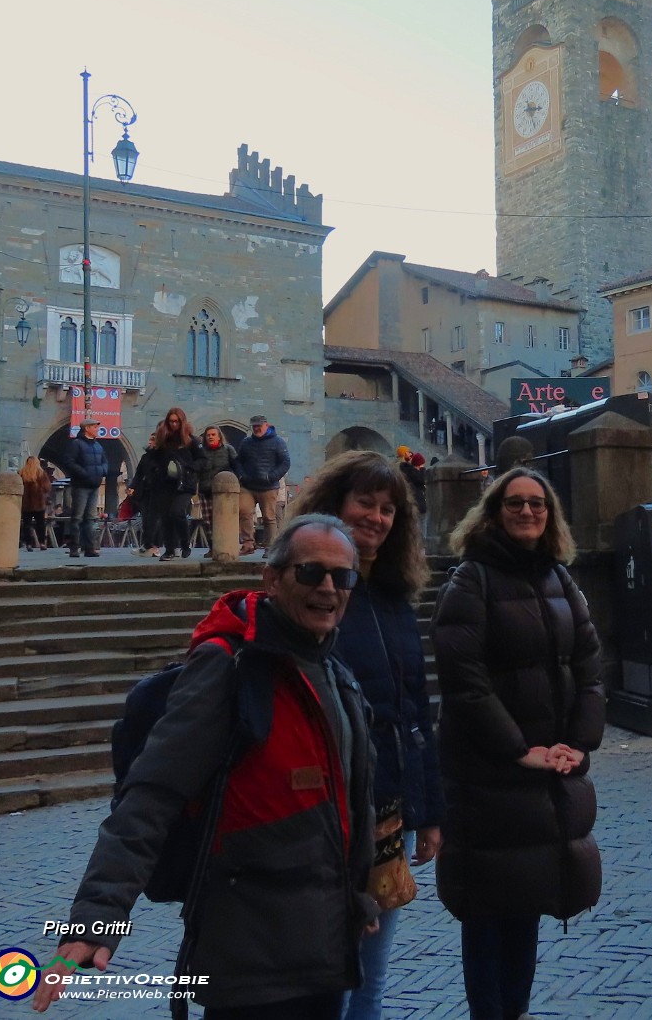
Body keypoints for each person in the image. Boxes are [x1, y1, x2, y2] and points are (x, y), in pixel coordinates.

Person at [31, 514, 378, 1018]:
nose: (328, 588)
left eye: (342, 577)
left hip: (325, 950)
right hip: (249, 956)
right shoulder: (228, 665)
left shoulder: (336, 672)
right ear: (272, 578)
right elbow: (153, 792)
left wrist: (358, 898)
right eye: (311, 573)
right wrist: (94, 921)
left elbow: (352, 800)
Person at [433, 468, 604, 1020]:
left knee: (527, 899)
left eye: (537, 504)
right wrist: (516, 749)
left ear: (549, 513)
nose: (527, 512)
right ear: (493, 511)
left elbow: (589, 668)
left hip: (545, 770)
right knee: (488, 909)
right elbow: (464, 679)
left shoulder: (561, 579)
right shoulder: (471, 580)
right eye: (514, 504)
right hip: (489, 773)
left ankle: (518, 1011)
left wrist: (578, 743)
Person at [288, 451, 444, 1020]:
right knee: (331, 977)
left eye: (388, 509)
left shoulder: (398, 599)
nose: (377, 518)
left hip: (389, 815)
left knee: (371, 977)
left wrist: (429, 813)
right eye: (365, 504)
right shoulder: (311, 592)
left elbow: (414, 714)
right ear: (335, 504)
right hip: (327, 818)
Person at [236, 414, 291, 555]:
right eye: (254, 426)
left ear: (266, 425)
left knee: (268, 517)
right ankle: (248, 543)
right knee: (245, 512)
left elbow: (285, 463)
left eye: (258, 426)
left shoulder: (278, 442)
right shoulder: (246, 443)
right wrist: (242, 475)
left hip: (268, 487)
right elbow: (238, 461)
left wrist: (271, 477)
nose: (256, 429)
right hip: (248, 485)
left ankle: (271, 546)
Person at [151, 408, 200, 560]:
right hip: (165, 483)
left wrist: (191, 468)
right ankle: (170, 549)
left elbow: (202, 459)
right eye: (171, 421)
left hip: (184, 484)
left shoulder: (191, 440)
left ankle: (185, 543)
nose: (173, 424)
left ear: (182, 422)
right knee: (166, 517)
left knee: (177, 512)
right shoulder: (163, 439)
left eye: (176, 421)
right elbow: (155, 458)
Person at [61, 417, 107, 558]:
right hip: (81, 485)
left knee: (90, 518)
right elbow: (69, 461)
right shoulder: (77, 444)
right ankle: (74, 547)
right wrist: (84, 473)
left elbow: (105, 461)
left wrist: (102, 471)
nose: (97, 430)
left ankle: (89, 548)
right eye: (95, 427)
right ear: (87, 428)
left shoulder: (98, 446)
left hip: (94, 485)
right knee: (77, 517)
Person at [195, 425, 239, 550]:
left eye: (213, 434)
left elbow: (236, 466)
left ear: (219, 437)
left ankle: (226, 546)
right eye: (208, 435)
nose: (210, 437)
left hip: (224, 492)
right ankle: (212, 547)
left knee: (223, 521)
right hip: (205, 490)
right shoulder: (200, 451)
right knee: (208, 522)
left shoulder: (228, 449)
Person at [19, 455, 52, 550]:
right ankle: (42, 543)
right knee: (40, 524)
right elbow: (47, 488)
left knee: (26, 524)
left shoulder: (21, 473)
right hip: (39, 503)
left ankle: (28, 544)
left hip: (25, 503)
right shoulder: (41, 473)